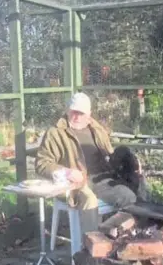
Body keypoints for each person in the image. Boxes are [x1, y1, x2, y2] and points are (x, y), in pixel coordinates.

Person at [35, 92, 139, 235]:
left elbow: (110, 154)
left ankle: (125, 235)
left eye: (81, 113)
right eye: (74, 112)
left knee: (135, 190)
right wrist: (67, 172)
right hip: (78, 183)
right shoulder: (55, 133)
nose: (77, 117)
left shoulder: (96, 129)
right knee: (100, 200)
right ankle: (90, 247)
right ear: (67, 110)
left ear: (89, 114)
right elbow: (42, 163)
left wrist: (130, 164)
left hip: (105, 178)